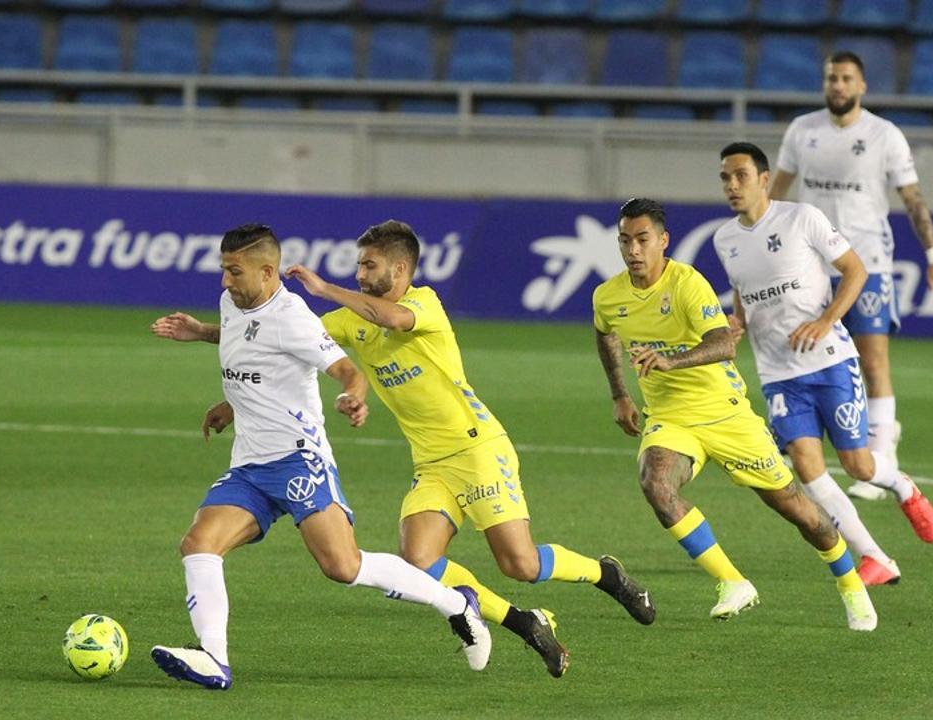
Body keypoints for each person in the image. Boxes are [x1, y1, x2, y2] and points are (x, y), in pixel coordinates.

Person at [279, 219, 657, 679]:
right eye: (358, 265)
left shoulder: (424, 304)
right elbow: (291, 337)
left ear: (399, 269)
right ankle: (524, 623)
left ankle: (606, 575)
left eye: (368, 265)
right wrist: (212, 332)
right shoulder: (353, 318)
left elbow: (390, 318)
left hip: (476, 449)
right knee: (419, 560)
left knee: (520, 564)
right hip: (432, 463)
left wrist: (324, 289)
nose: (359, 274)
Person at [147, 223, 490, 690]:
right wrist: (205, 340)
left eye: (235, 272)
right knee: (198, 544)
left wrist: (353, 396)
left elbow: (350, 371)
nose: (226, 281)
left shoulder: (294, 317)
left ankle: (456, 604)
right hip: (250, 465)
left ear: (268, 272)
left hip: (298, 460)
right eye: (224, 270)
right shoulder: (232, 303)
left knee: (343, 567)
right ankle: (214, 659)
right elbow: (249, 341)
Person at [593, 197, 878, 631]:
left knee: (798, 510)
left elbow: (723, 344)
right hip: (671, 417)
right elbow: (605, 333)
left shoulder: (687, 284)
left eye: (642, 239)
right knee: (656, 483)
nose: (633, 250)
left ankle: (850, 582)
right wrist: (619, 394)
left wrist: (671, 361)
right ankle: (732, 582)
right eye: (625, 240)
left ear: (663, 241)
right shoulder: (608, 295)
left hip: (725, 415)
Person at [714, 142, 933, 587]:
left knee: (858, 465)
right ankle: (875, 556)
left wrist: (825, 321)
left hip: (830, 362)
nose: (732, 185)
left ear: (764, 179)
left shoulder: (802, 218)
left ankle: (902, 485)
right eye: (725, 178)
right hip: (779, 374)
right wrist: (738, 321)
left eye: (741, 176)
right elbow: (743, 288)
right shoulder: (725, 239)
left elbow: (856, 271)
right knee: (807, 468)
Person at [768, 51, 933, 502]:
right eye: (831, 77)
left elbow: (913, 200)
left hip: (867, 261)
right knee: (802, 351)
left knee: (872, 361)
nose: (837, 85)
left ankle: (880, 457)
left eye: (846, 78)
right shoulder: (802, 130)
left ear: (862, 86)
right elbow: (776, 192)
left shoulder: (884, 135)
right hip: (811, 262)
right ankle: (799, 442)